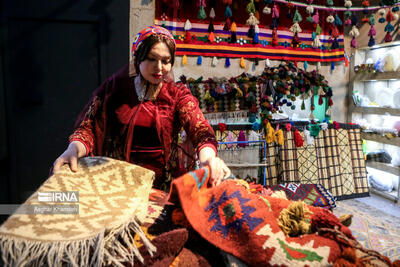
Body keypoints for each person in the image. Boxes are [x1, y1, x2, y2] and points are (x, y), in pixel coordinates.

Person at [52, 25, 231, 191]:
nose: (159, 68)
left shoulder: (177, 95)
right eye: (152, 59)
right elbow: (89, 127)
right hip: (118, 182)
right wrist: (73, 149)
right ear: (138, 58)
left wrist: (209, 159)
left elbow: (199, 129)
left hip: (161, 184)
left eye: (166, 61)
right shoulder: (115, 90)